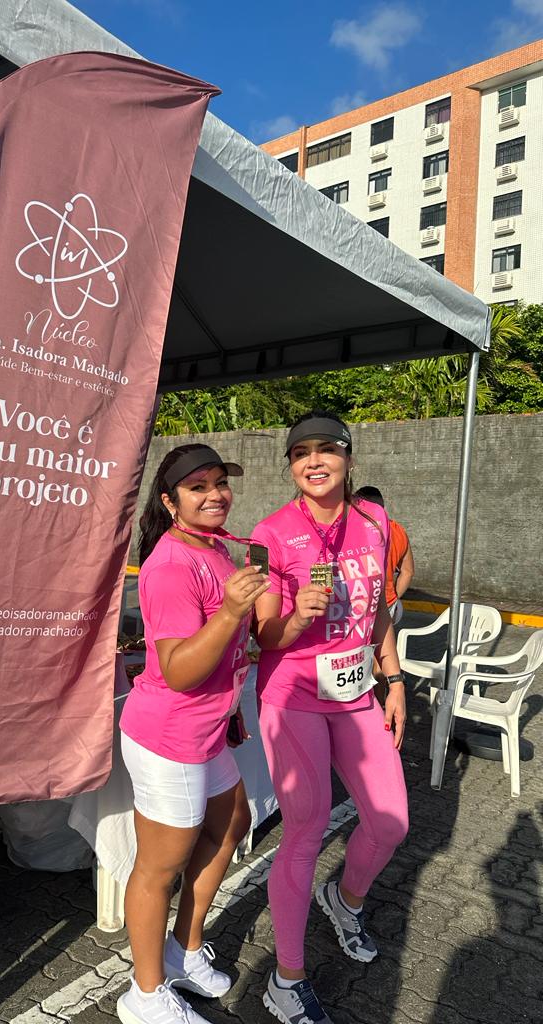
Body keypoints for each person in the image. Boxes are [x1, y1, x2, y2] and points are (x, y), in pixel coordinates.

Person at [251, 411, 409, 1024]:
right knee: (307, 830)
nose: (313, 462)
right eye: (299, 454)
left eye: (326, 450)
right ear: (290, 466)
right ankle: (286, 980)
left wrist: (392, 679)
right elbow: (266, 636)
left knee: (390, 821)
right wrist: (296, 618)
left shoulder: (374, 521)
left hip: (356, 693)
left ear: (348, 458)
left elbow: (378, 614)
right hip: (293, 695)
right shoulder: (272, 532)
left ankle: (343, 901)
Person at [117, 443, 271, 1024]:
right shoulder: (171, 564)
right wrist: (230, 613)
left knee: (233, 821)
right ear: (170, 500)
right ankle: (145, 994)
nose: (214, 495)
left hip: (208, 729)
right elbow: (179, 669)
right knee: (159, 867)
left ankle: (182, 951)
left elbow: (239, 645)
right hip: (169, 735)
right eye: (198, 487)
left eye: (219, 483)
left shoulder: (216, 550)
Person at [354, 485, 414, 626]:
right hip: (388, 603)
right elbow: (408, 572)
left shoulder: (354, 530)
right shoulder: (397, 530)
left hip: (359, 606)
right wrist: (393, 597)